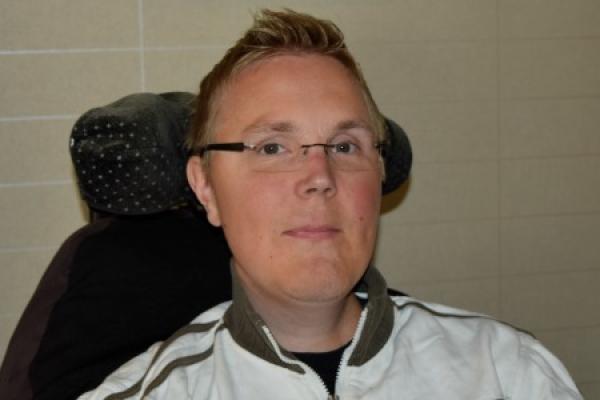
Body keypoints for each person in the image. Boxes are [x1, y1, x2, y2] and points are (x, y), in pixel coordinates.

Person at [79, 9, 583, 400]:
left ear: (379, 172)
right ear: (206, 187)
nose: (320, 177)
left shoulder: (507, 372)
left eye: (345, 146)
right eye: (272, 148)